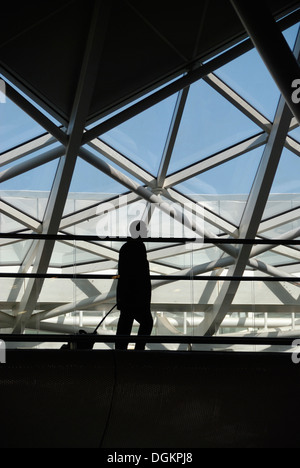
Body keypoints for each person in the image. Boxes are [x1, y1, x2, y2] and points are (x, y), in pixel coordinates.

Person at [116, 220, 153, 350]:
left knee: (125, 324)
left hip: (129, 295)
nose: (147, 232)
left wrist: (121, 297)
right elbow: (140, 276)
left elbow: (123, 275)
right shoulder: (138, 247)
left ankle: (121, 352)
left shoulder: (126, 248)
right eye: (145, 230)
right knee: (146, 323)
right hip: (136, 296)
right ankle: (137, 349)